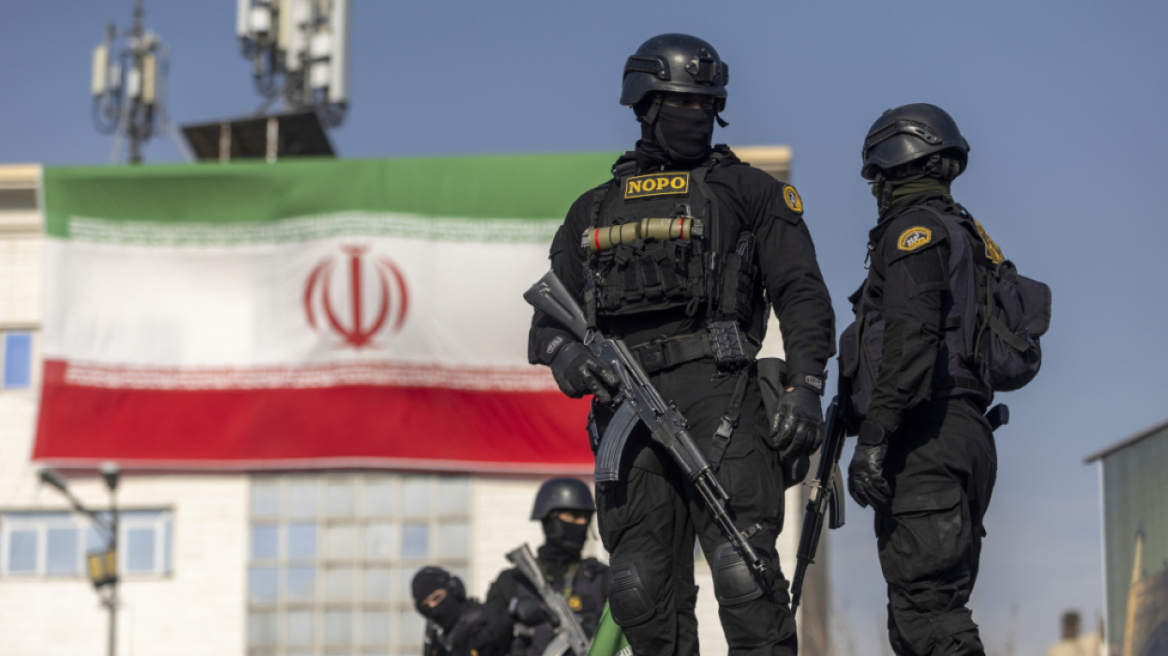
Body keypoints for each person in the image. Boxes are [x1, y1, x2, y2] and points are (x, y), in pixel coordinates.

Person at [527, 33, 835, 656]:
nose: (697, 114)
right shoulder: (593, 209)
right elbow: (546, 326)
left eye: (706, 103)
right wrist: (569, 357)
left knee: (745, 574)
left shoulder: (749, 191)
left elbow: (802, 293)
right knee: (638, 590)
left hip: (721, 393)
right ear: (646, 105)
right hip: (624, 403)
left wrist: (805, 386)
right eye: (681, 102)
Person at [843, 103, 1006, 656]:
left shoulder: (914, 231)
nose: (877, 188)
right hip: (964, 434)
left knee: (930, 617)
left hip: (925, 436)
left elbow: (912, 339)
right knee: (918, 621)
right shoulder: (967, 234)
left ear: (899, 165)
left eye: (879, 175)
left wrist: (874, 436)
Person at [483, 478, 609, 656]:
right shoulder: (512, 582)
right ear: (550, 520)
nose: (582, 524)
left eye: (586, 518)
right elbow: (481, 647)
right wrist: (513, 611)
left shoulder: (601, 578)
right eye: (573, 516)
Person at [414, 567, 512, 656]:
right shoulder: (441, 645)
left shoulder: (487, 622)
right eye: (426, 606)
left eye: (436, 598)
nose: (433, 608)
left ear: (454, 589)